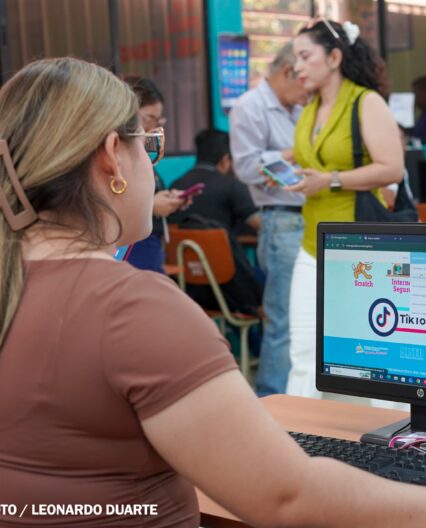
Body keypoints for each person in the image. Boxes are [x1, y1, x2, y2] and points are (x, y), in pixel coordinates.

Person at [0, 56, 426, 528]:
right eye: (148, 146)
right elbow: (287, 497)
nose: (151, 163)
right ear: (111, 160)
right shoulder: (131, 309)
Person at [284, 18, 403, 398]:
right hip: (312, 246)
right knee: (305, 353)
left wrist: (330, 180)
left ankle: (387, 430)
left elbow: (392, 168)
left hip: (361, 247)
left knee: (373, 353)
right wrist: (288, 171)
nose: (298, 67)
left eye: (306, 57)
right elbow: (313, 159)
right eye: (295, 58)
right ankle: (301, 429)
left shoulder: (366, 102)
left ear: (334, 57)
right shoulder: (309, 109)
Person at [229, 43, 309, 396]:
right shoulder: (250, 106)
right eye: (303, 81)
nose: (308, 91)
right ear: (288, 71)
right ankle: (271, 399)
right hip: (282, 220)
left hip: (310, 215)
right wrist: (298, 152)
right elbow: (246, 167)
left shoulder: (298, 109)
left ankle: (299, 397)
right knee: (284, 320)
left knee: (306, 318)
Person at [169, 129, 263, 316]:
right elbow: (261, 224)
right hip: (230, 291)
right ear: (226, 159)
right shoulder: (231, 186)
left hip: (187, 289)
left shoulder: (176, 186)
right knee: (268, 279)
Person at [124, 76, 189, 273]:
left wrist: (168, 200)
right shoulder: (120, 156)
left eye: (158, 120)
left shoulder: (146, 154)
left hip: (150, 244)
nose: (153, 127)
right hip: (132, 247)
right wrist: (152, 206)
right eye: (148, 118)